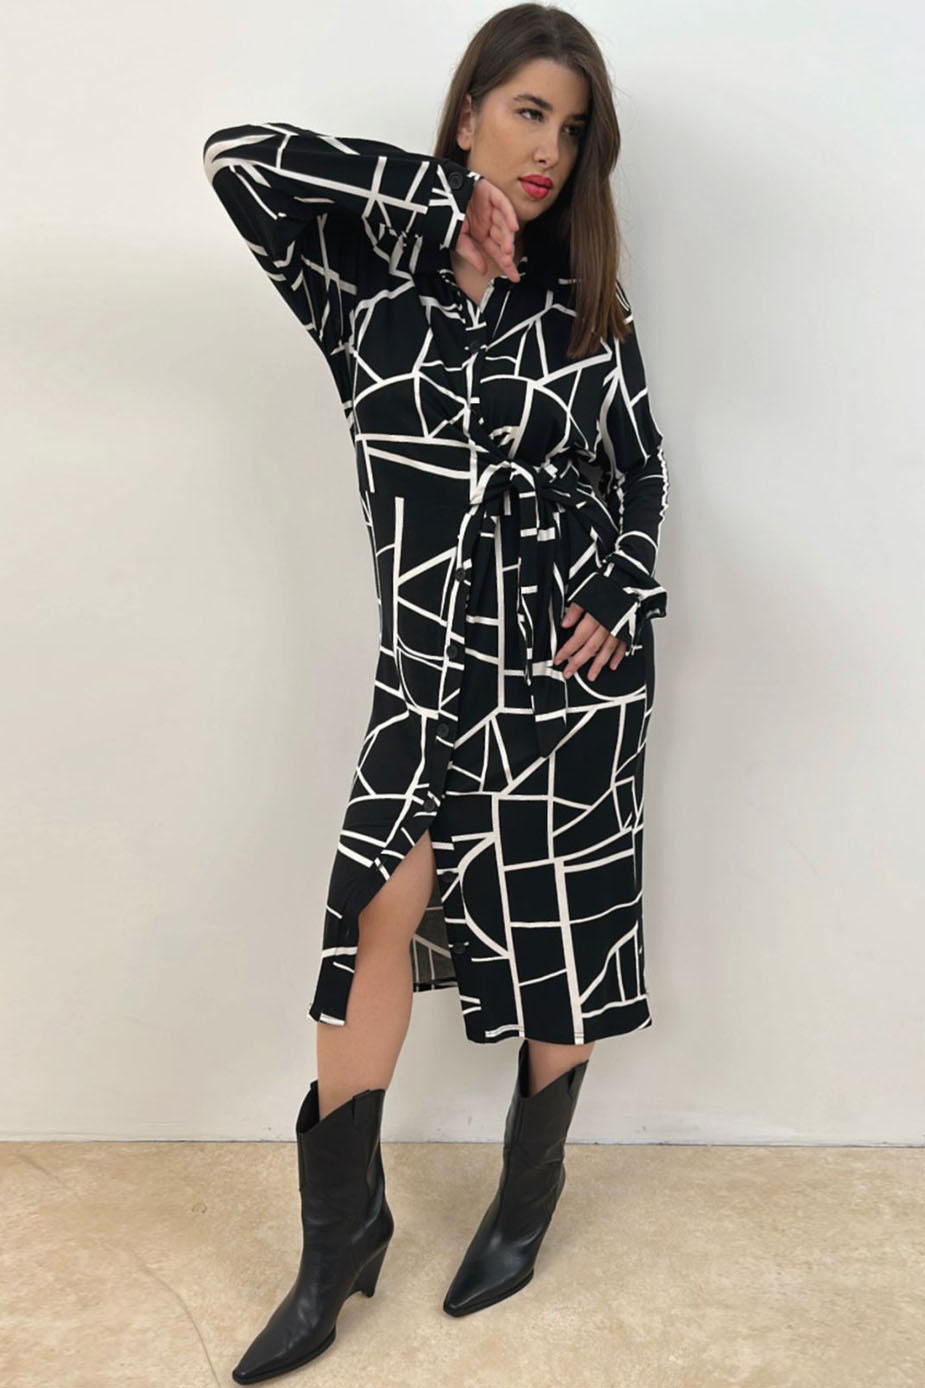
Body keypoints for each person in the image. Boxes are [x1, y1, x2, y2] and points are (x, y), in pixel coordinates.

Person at [202, 3, 669, 1380]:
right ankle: (339, 1240)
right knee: (374, 916)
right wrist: (430, 200)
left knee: (562, 931)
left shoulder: (583, 307)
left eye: (571, 129)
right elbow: (235, 158)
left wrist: (618, 590)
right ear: (467, 113)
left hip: (568, 677)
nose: (547, 149)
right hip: (426, 676)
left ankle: (527, 1198)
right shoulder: (363, 284)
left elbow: (639, 470)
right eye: (526, 111)